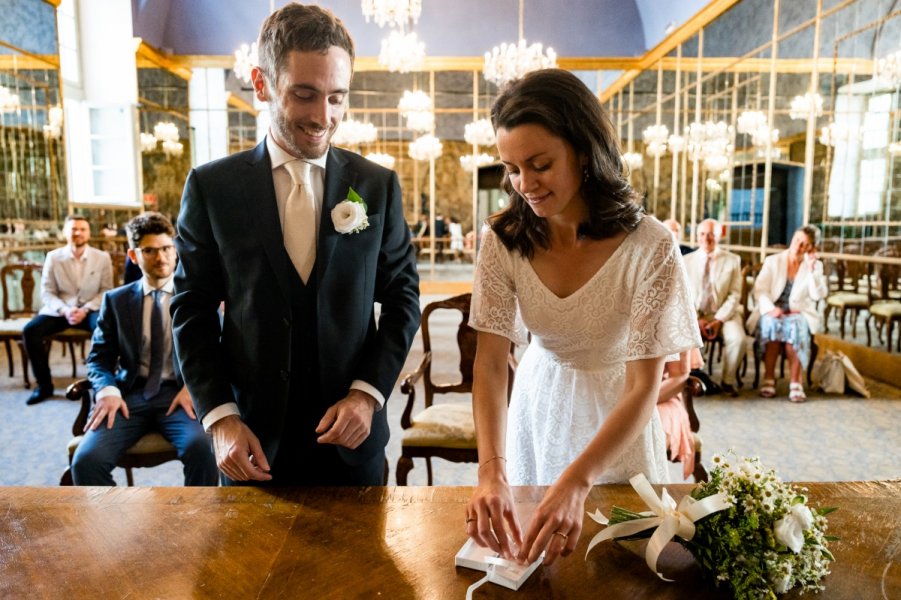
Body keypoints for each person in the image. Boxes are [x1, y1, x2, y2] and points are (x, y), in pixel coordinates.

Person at [171, 3, 420, 487]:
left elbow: (402, 299)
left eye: (337, 98)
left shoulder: (377, 187)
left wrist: (367, 395)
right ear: (261, 83)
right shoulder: (211, 187)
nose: (322, 116)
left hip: (353, 440)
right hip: (251, 442)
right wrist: (220, 417)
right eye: (304, 94)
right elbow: (192, 308)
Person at [465, 69, 700, 567]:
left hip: (619, 413)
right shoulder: (503, 240)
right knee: (538, 563)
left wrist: (577, 480)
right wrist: (491, 471)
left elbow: (643, 386)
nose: (524, 185)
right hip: (538, 401)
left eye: (540, 164)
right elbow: (489, 364)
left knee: (621, 563)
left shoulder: (650, 246)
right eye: (511, 168)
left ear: (584, 150)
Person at [71, 213, 217, 486]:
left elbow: (219, 351)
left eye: (166, 249)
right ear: (134, 255)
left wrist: (195, 388)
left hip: (181, 398)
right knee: (86, 462)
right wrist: (108, 391)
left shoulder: (198, 299)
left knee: (204, 451)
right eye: (149, 250)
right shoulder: (116, 301)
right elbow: (98, 359)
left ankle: (199, 526)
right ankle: (112, 526)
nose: (160, 257)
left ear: (175, 251)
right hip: (129, 397)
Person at [23, 215, 113, 405]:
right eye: (73, 229)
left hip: (90, 309)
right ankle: (44, 386)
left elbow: (106, 290)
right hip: (60, 310)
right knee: (30, 331)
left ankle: (104, 384)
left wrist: (86, 309)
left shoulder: (102, 257)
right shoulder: (53, 257)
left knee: (107, 329)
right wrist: (65, 310)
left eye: (82, 229)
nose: (78, 233)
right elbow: (47, 292)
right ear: (66, 232)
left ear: (89, 233)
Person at [749, 225, 828, 402]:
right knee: (772, 325)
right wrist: (771, 309)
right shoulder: (773, 261)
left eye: (804, 244)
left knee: (795, 326)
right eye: (797, 240)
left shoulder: (814, 266)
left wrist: (813, 268)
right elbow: (760, 290)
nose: (798, 246)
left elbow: (818, 295)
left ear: (811, 247)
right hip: (772, 309)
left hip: (798, 312)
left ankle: (795, 382)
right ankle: (769, 378)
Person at [683, 218, 746, 396]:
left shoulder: (733, 260)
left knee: (738, 339)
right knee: (685, 337)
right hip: (695, 314)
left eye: (711, 234)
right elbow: (683, 295)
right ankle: (693, 379)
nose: (706, 238)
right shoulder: (686, 261)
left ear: (720, 236)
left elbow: (735, 294)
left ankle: (727, 381)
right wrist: (697, 319)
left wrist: (719, 319)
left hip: (724, 314)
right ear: (697, 236)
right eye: (702, 234)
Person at [656, 348, 703, 481]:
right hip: (600, 396)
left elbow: (679, 377)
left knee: (649, 429)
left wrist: (640, 403)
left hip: (662, 395)